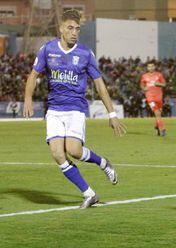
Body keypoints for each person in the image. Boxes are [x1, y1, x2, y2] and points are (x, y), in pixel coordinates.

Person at [23, 9, 127, 209]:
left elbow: (99, 84)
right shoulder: (47, 49)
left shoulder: (86, 53)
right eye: (70, 28)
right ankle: (89, 194)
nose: (74, 32)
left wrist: (112, 114)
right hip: (54, 109)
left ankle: (103, 163)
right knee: (57, 153)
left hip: (75, 109)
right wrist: (28, 98)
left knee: (74, 151)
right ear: (61, 29)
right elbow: (33, 75)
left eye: (77, 29)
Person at [140, 63, 167, 136]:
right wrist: (144, 88)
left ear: (154, 67)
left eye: (152, 66)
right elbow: (142, 85)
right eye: (149, 67)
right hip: (150, 97)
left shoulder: (159, 75)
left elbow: (164, 84)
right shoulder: (144, 76)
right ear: (147, 68)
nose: (151, 68)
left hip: (159, 97)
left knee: (158, 114)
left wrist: (158, 84)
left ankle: (156, 127)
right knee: (157, 113)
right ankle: (163, 129)